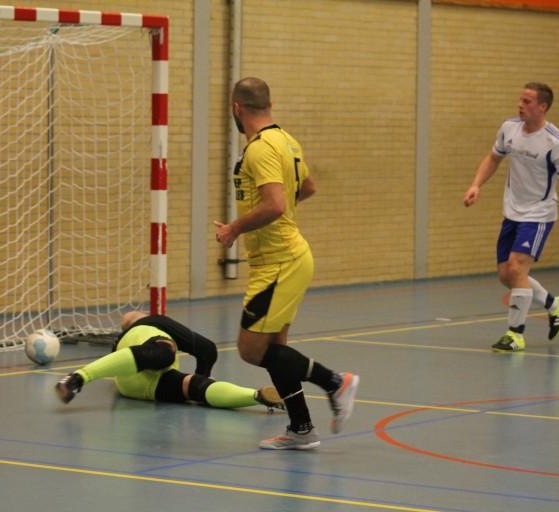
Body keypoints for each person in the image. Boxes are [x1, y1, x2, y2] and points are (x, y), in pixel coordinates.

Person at [214, 77, 359, 450]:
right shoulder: (286, 141)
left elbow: (276, 205)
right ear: (270, 104)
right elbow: (306, 188)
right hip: (286, 258)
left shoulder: (260, 148)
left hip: (279, 262)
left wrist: (234, 228)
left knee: (251, 349)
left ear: (236, 108)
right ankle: (301, 429)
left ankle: (335, 382)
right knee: (276, 349)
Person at [463, 82, 559, 352]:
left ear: (543, 107)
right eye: (520, 100)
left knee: (518, 268)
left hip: (539, 213)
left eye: (527, 101)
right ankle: (555, 304)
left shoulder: (556, 142)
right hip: (512, 211)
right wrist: (476, 184)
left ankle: (515, 334)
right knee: (506, 275)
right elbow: (493, 158)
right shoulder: (509, 129)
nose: (520, 105)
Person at [55, 311, 285, 411]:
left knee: (189, 386)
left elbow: (121, 363)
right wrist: (203, 374)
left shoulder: (118, 346)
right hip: (152, 372)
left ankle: (257, 396)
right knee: (176, 364)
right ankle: (78, 377)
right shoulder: (154, 322)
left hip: (130, 386)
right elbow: (207, 349)